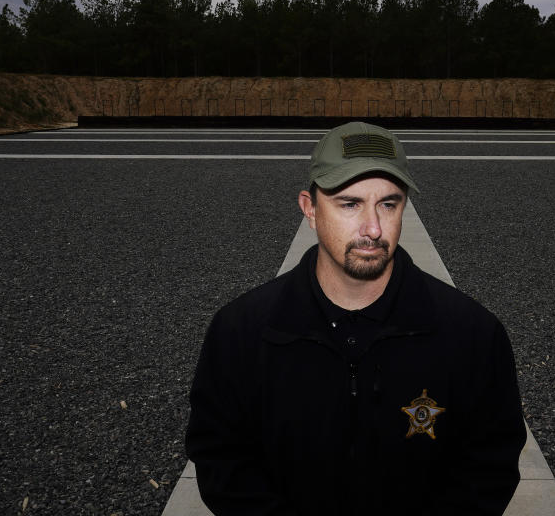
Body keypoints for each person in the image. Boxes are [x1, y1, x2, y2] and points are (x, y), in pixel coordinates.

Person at [185, 121, 526, 515]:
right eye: (350, 204)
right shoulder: (241, 332)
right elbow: (220, 458)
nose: (373, 229)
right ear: (309, 209)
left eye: (388, 203)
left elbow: (489, 466)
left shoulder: (472, 334)